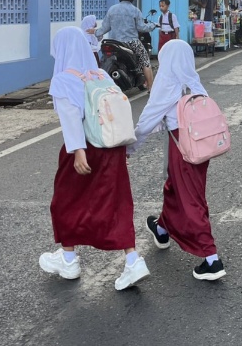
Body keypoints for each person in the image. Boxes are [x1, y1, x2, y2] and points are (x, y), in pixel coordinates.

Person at [39, 26, 150, 291]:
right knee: (117, 202)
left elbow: (70, 118)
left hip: (85, 149)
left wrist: (78, 150)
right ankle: (132, 260)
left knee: (66, 201)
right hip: (112, 147)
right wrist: (126, 146)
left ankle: (68, 258)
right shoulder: (100, 74)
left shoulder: (64, 79)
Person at [128, 39, 227, 281]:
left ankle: (211, 259)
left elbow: (149, 118)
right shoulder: (193, 81)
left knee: (190, 198)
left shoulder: (167, 82)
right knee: (176, 188)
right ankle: (162, 229)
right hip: (201, 147)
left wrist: (129, 147)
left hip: (181, 148)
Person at [95, 0, 155, 90]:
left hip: (114, 42)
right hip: (131, 42)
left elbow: (105, 27)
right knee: (145, 61)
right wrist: (152, 26)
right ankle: (151, 88)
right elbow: (141, 27)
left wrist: (96, 32)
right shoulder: (135, 10)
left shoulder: (112, 9)